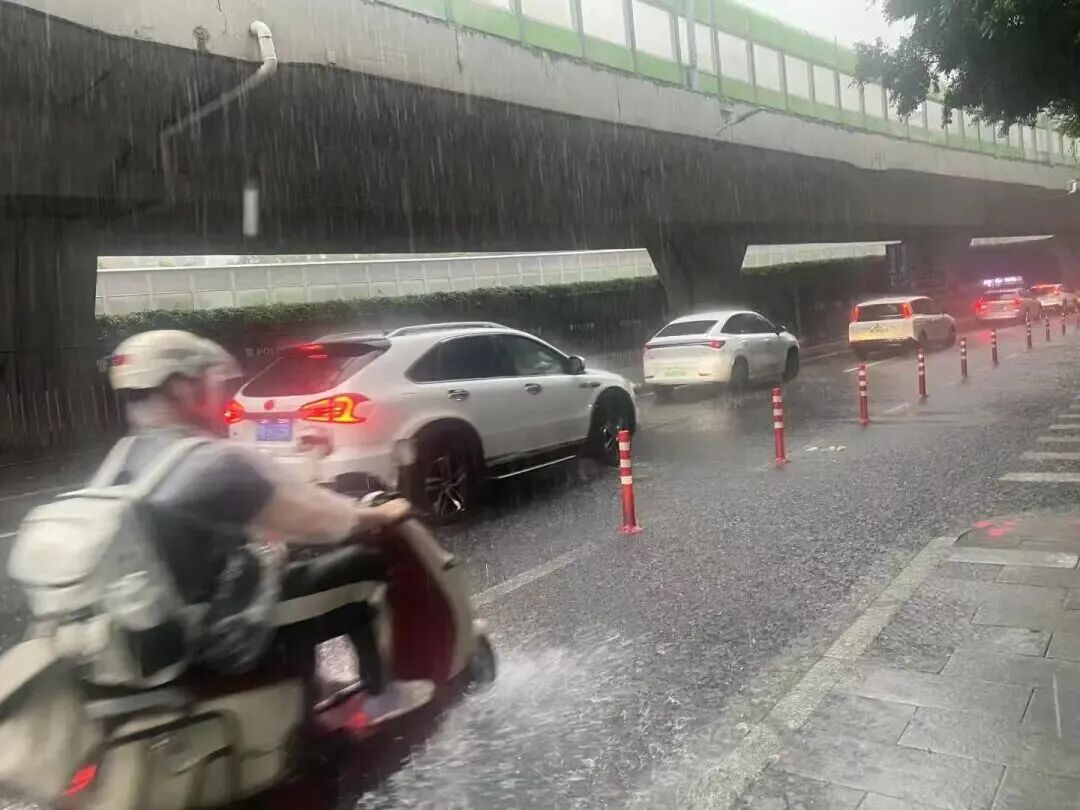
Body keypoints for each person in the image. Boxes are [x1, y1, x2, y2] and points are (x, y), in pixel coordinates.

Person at [105, 329, 431, 719]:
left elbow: (253, 497)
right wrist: (381, 514)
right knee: (364, 566)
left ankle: (308, 687)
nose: (220, 394)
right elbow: (320, 520)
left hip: (159, 630)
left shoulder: (125, 457)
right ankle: (382, 697)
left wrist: (304, 458)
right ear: (180, 388)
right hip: (221, 632)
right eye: (210, 382)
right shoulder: (209, 461)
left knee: (286, 572)